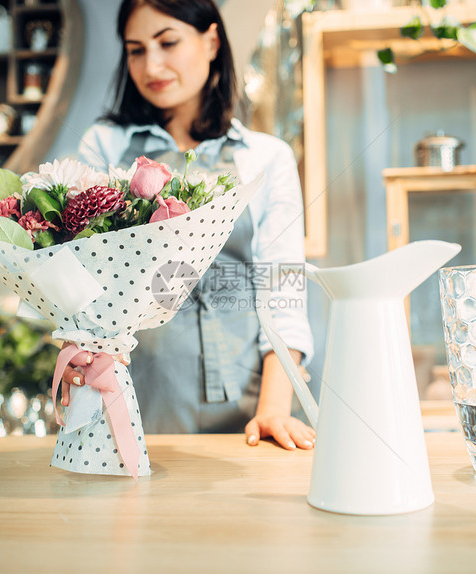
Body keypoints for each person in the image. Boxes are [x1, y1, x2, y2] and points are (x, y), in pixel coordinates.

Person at [61, 0, 314, 451]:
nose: (151, 64)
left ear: (212, 41)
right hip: (126, 399)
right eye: (136, 50)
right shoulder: (103, 146)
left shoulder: (266, 157)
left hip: (250, 409)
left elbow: (283, 290)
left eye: (168, 42)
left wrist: (274, 409)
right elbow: (79, 284)